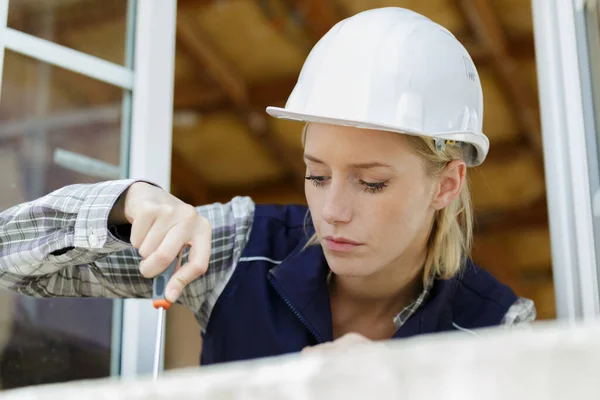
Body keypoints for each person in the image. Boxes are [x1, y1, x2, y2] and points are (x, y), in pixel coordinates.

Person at [0, 7, 535, 365]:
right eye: (316, 175)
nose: (333, 211)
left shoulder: (500, 330)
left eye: (371, 183)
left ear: (446, 184)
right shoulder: (235, 247)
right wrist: (125, 204)